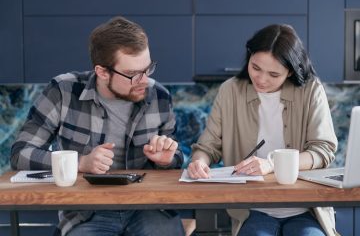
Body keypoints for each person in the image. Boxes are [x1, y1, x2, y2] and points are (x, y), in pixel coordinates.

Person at [11, 16, 185, 236]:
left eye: (148, 68)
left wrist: (168, 158)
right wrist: (81, 162)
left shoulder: (159, 96)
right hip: (86, 211)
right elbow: (20, 154)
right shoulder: (63, 91)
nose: (145, 80)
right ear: (102, 72)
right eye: (133, 74)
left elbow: (178, 157)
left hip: (148, 206)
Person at [187, 24, 338, 236]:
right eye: (255, 68)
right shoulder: (231, 90)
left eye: (274, 74)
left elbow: (323, 150)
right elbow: (208, 146)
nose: (261, 79)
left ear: (290, 72)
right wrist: (199, 162)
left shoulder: (311, 90)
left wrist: (272, 164)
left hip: (306, 207)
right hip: (253, 209)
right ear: (249, 56)